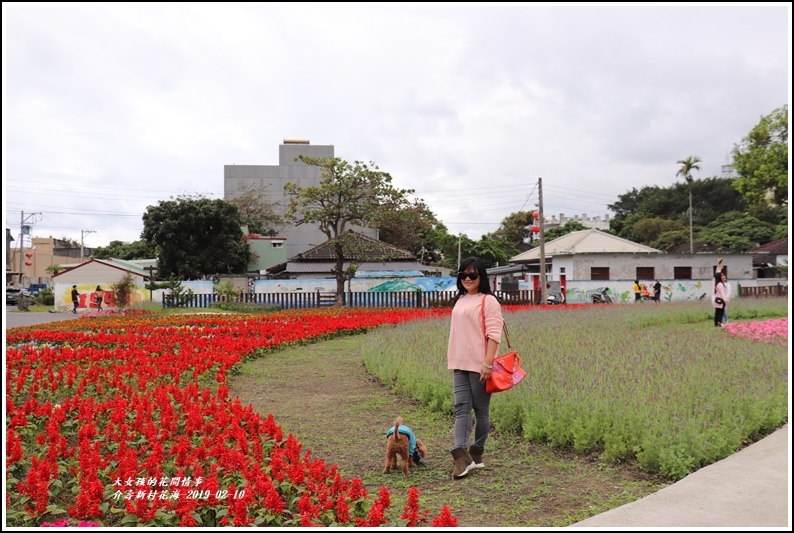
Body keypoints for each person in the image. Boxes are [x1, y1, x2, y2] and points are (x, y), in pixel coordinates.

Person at [447, 256, 503, 479]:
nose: (467, 278)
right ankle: (461, 456)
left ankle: (476, 452)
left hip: (480, 364)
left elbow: (494, 334)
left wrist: (488, 363)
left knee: (481, 411)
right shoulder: (460, 300)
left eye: (473, 275)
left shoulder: (488, 301)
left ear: (482, 277)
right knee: (461, 408)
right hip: (459, 362)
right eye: (463, 274)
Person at [712, 259, 729, 327]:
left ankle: (716, 324)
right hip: (720, 300)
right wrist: (725, 299)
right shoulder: (720, 284)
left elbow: (716, 274)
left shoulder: (715, 282)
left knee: (717, 312)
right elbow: (722, 293)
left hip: (716, 299)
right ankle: (719, 323)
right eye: (722, 276)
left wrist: (718, 265)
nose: (723, 277)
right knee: (720, 312)